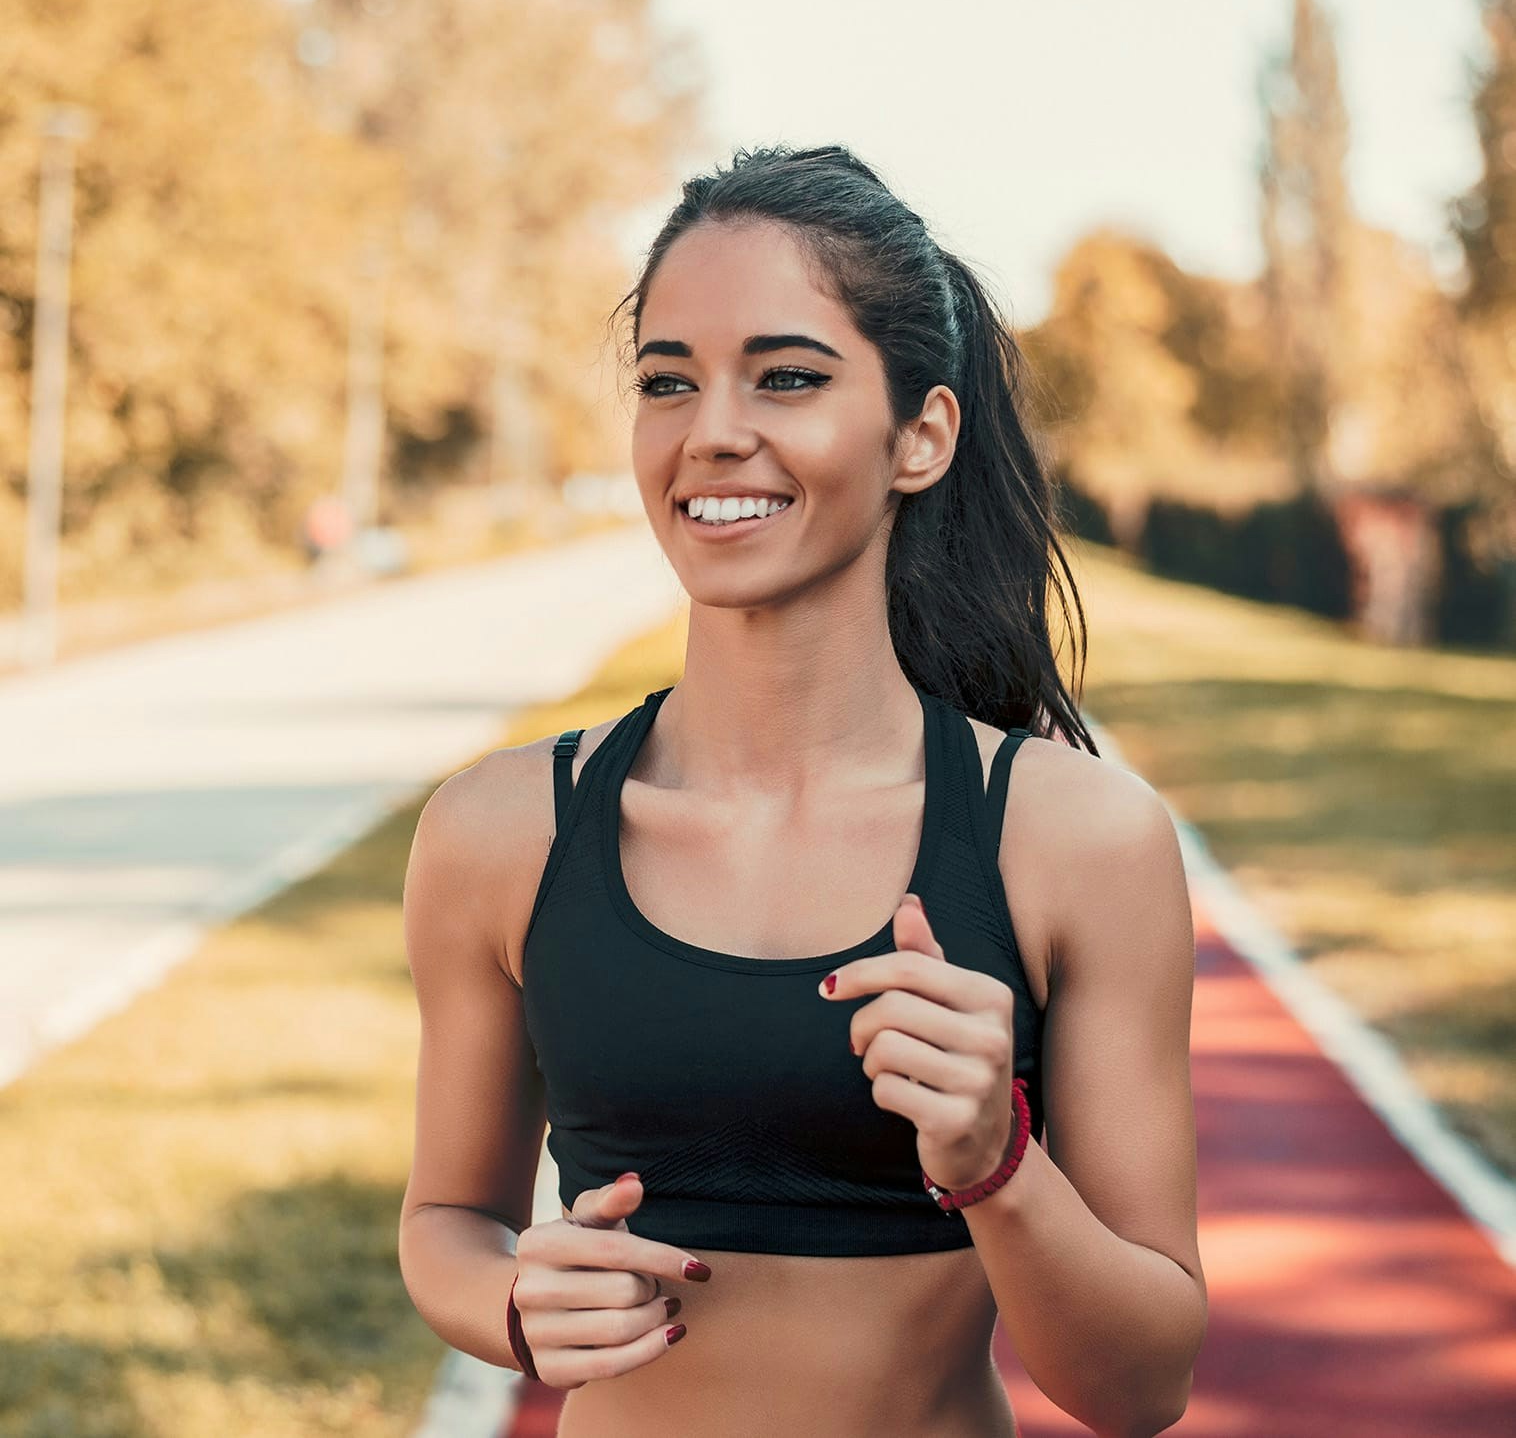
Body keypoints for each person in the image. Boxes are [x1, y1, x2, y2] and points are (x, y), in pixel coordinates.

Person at [397, 144, 1206, 1437]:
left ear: (921, 436)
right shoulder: (500, 835)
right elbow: (448, 1223)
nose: (714, 430)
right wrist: (506, 1303)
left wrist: (999, 1169)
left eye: (787, 377)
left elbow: (1140, 1386)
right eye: (669, 382)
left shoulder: (1074, 842)